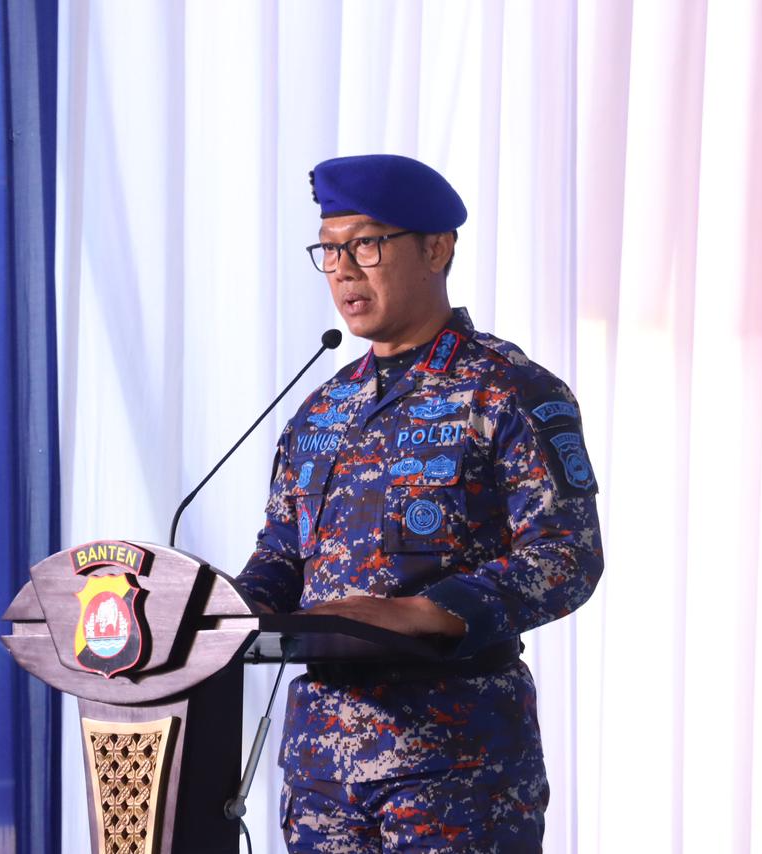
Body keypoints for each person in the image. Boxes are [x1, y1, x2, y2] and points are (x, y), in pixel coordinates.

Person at [235, 154, 604, 853]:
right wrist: (219, 609)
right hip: (323, 770)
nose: (343, 270)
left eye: (366, 245)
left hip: (456, 764)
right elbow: (281, 555)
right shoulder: (321, 410)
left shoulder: (507, 389)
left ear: (437, 249)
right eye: (330, 250)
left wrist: (423, 611)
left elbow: (566, 556)